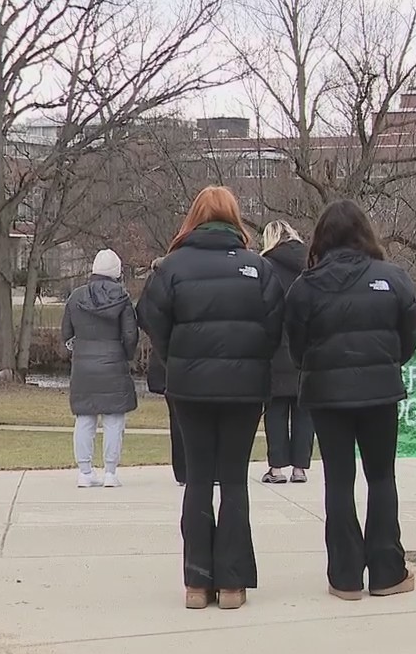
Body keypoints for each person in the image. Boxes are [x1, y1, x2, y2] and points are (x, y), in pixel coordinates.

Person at [138, 186, 284, 610]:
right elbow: (275, 330)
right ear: (235, 219)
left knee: (199, 479)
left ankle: (197, 584)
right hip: (243, 388)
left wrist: (179, 358)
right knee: (235, 480)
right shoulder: (258, 269)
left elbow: (151, 319)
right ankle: (234, 584)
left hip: (189, 386)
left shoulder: (170, 268)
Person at [285, 200, 416, 601]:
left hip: (327, 396)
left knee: (338, 481)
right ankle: (386, 570)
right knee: (382, 478)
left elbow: (296, 346)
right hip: (380, 392)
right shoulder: (393, 278)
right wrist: (386, 361)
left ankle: (344, 575)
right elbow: (410, 332)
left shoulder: (305, 287)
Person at [62, 249, 139, 489]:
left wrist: (78, 351)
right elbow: (130, 334)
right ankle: (110, 472)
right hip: (113, 362)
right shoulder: (122, 298)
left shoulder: (76, 297)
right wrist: (125, 356)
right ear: (116, 272)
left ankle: (84, 472)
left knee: (84, 418)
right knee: (114, 420)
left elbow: (66, 333)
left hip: (83, 365)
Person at [259, 220, 314, 484]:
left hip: (275, 346)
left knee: (276, 409)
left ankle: (277, 467)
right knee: (303, 411)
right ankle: (300, 468)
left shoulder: (266, 266)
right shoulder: (311, 265)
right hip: (305, 347)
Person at [139, 256, 187, 487]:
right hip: (177, 357)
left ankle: (184, 470)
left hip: (169, 357)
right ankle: (190, 469)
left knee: (178, 417)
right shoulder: (168, 280)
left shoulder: (159, 281)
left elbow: (144, 314)